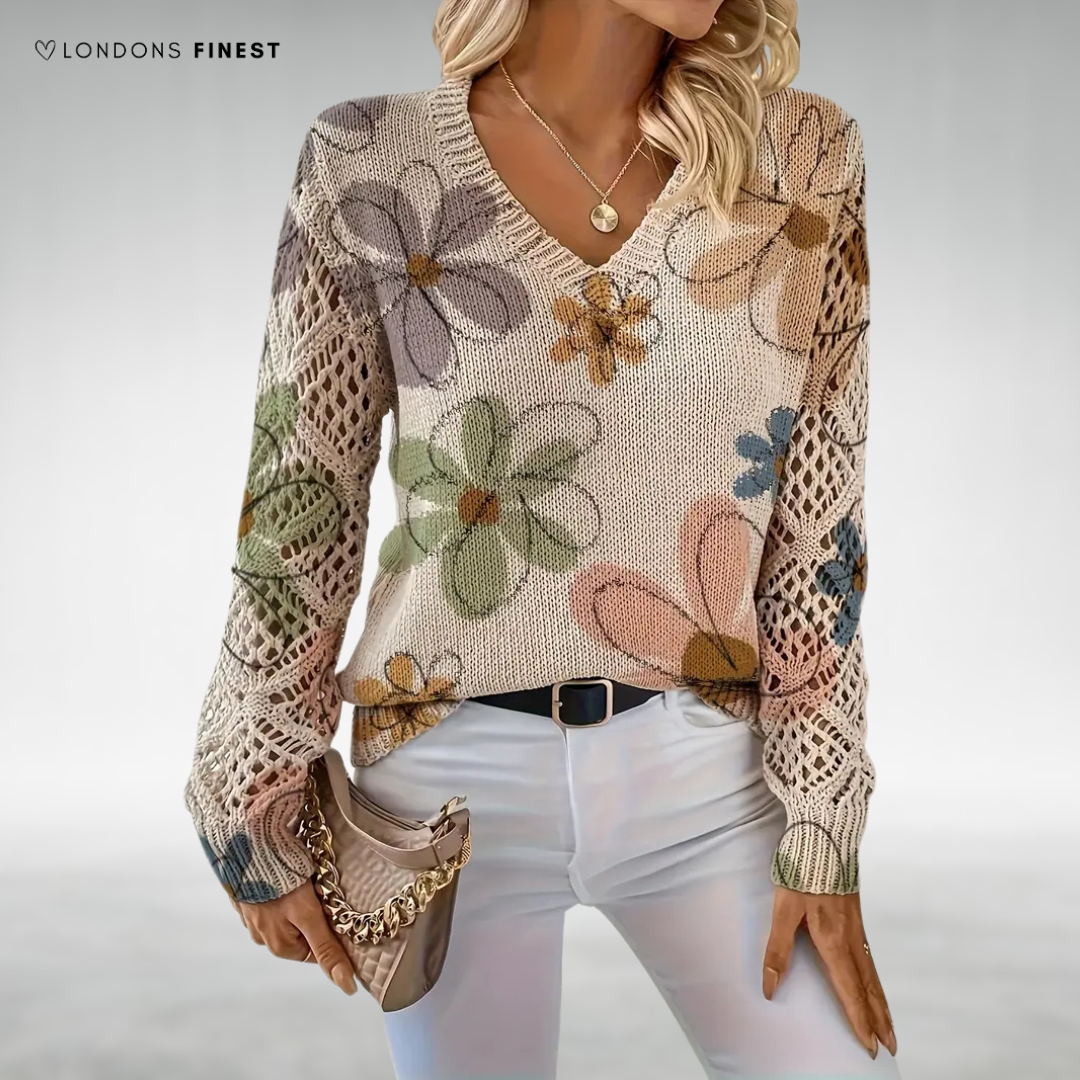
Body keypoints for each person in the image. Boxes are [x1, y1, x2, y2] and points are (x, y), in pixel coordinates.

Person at [183, 0, 902, 1075]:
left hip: (709, 779)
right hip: (444, 799)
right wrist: (250, 781)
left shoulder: (803, 161)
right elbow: (299, 508)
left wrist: (823, 814)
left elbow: (819, 532)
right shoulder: (366, 160)